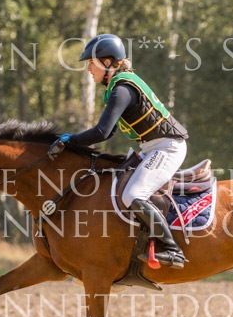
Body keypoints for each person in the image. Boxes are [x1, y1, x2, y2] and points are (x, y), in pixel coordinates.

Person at [49, 33, 189, 268]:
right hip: (153, 147)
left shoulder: (122, 89)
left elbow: (102, 132)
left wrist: (69, 141)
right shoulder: (120, 86)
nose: (88, 69)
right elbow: (110, 132)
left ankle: (172, 250)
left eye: (91, 63)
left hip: (167, 147)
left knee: (132, 195)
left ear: (108, 62)